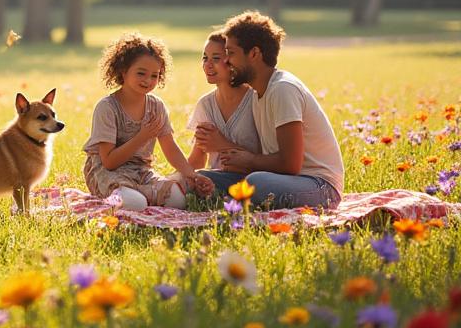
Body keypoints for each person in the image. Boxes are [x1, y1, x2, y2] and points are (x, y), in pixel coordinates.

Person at [198, 11, 345, 209]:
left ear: (254, 54)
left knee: (256, 183)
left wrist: (248, 160)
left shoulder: (282, 89)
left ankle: (234, 203)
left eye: (231, 53)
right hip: (282, 180)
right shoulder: (259, 92)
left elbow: (290, 164)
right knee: (201, 179)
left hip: (319, 187)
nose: (226, 61)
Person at [82, 32, 214, 211]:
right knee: (136, 204)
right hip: (108, 173)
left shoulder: (156, 107)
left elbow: (170, 147)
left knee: (178, 201)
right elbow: (109, 162)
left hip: (141, 171)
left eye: (155, 75)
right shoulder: (107, 108)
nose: (148, 80)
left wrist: (192, 175)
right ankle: (130, 197)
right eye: (141, 73)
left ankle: (144, 192)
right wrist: (142, 137)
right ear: (123, 71)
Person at [185, 33, 260, 171]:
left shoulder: (257, 100)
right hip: (214, 183)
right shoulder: (205, 104)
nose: (207, 65)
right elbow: (197, 160)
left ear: (233, 60)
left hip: (254, 182)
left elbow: (268, 160)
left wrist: (222, 144)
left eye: (216, 58)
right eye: (205, 58)